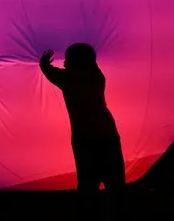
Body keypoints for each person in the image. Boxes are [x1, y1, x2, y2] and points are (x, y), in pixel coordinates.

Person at [39, 44, 124, 219]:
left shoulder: (70, 79)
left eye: (67, 60)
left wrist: (43, 63)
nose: (64, 64)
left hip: (85, 138)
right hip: (108, 133)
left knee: (88, 184)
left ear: (75, 62)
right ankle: (117, 214)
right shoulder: (97, 76)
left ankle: (90, 217)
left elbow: (50, 72)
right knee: (115, 183)